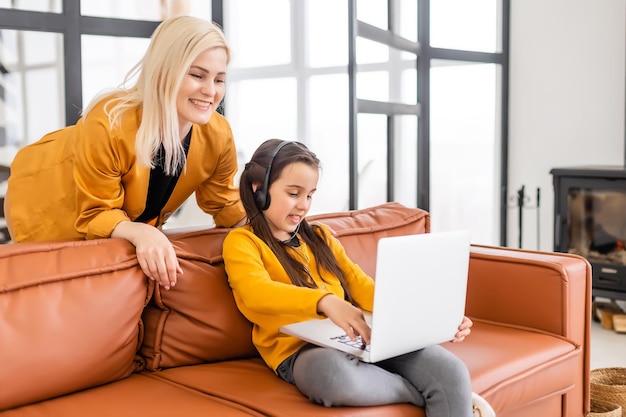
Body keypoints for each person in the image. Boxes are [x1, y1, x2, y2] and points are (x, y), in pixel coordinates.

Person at [222, 139, 496, 416]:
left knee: (452, 371)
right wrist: (325, 301)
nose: (304, 205)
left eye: (310, 195)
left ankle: (445, 390)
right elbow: (255, 293)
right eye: (294, 193)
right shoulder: (242, 242)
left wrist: (433, 317)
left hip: (357, 338)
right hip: (300, 353)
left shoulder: (320, 237)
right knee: (333, 377)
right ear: (259, 191)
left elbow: (362, 286)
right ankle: (425, 394)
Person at [5, 16, 245, 290]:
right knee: (50, 295)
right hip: (41, 199)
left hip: (108, 215)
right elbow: (95, 212)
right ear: (164, 72)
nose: (211, 91)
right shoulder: (109, 121)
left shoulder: (218, 134)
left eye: (220, 79)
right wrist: (140, 231)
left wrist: (273, 222)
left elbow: (224, 203)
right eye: (197, 75)